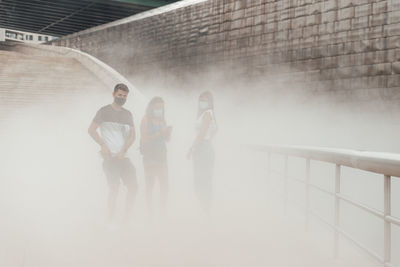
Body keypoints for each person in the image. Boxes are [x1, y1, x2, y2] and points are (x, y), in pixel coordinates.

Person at [88, 83, 137, 223]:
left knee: (134, 187)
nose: (122, 98)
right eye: (120, 95)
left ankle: (126, 218)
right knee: (114, 188)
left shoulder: (128, 114)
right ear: (114, 94)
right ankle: (110, 218)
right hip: (110, 158)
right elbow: (91, 130)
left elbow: (133, 136)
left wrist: (123, 151)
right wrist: (102, 145)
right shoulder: (104, 111)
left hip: (124, 157)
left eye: (125, 96)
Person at [140, 97, 172, 218]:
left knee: (165, 185)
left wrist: (168, 134)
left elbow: (167, 140)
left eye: (162, 108)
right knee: (150, 185)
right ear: (152, 107)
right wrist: (159, 133)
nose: (160, 110)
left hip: (162, 155)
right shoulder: (146, 119)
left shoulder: (162, 120)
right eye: (157, 108)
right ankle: (150, 212)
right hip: (150, 156)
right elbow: (144, 139)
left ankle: (162, 210)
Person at [187, 91, 217, 213]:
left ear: (209, 102)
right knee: (202, 179)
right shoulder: (207, 114)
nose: (202, 103)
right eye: (201, 100)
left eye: (205, 100)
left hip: (202, 148)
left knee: (202, 180)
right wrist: (209, 138)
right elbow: (216, 129)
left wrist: (192, 148)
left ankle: (205, 207)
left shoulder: (207, 114)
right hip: (205, 146)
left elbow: (202, 133)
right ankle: (205, 207)